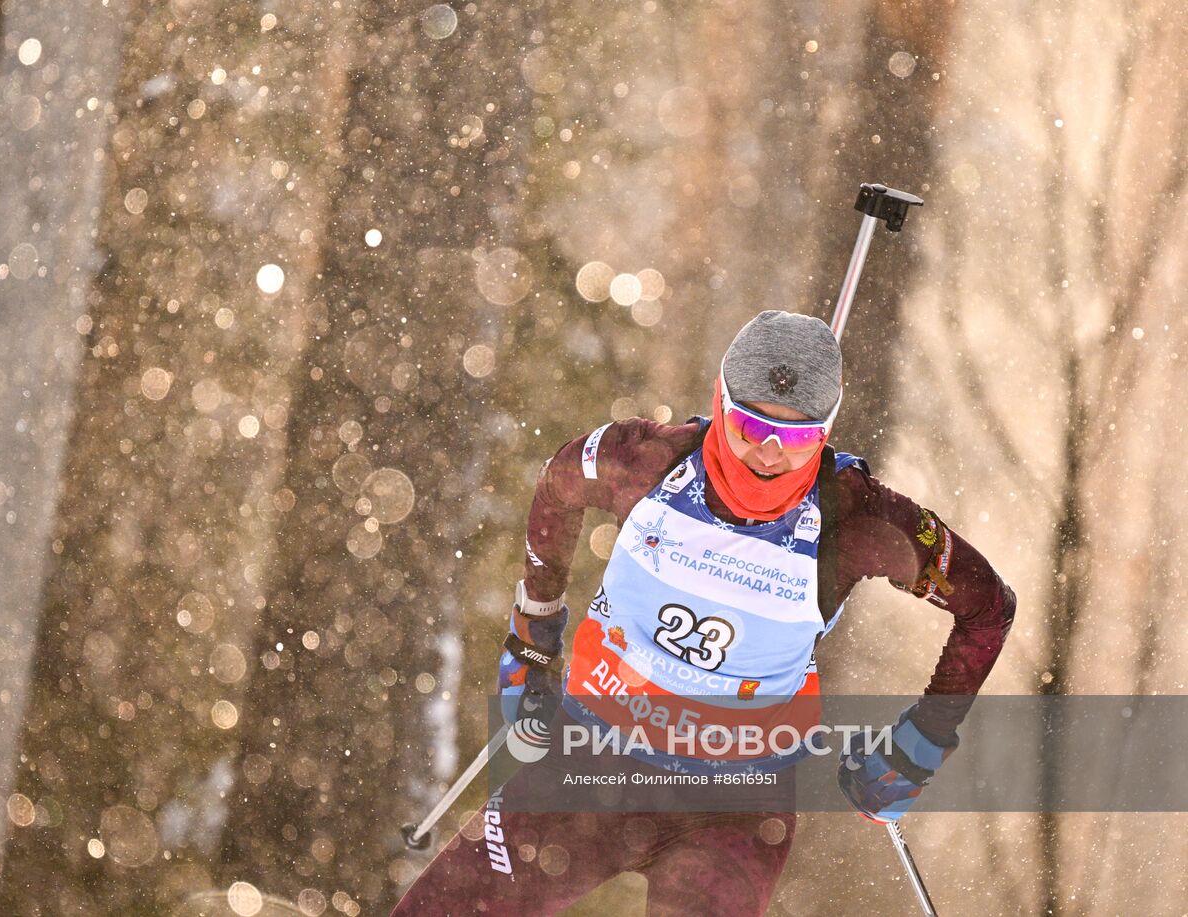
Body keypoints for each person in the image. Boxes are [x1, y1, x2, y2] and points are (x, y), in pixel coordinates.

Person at [391, 310, 1016, 916]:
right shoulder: (643, 462)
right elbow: (558, 483)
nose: (769, 453)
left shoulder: (861, 522)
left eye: (798, 437)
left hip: (735, 808)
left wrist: (921, 743)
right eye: (750, 426)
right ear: (721, 400)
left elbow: (990, 608)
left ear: (827, 427)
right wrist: (532, 635)